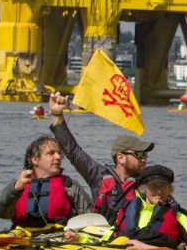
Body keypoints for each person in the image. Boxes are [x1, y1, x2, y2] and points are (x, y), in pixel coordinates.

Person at [47, 92, 153, 223]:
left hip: (131, 234)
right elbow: (73, 151)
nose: (144, 159)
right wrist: (57, 114)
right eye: (139, 154)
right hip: (101, 232)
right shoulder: (97, 175)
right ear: (120, 158)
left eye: (145, 155)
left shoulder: (148, 182)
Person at [0, 135, 94, 228]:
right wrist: (15, 189)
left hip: (59, 237)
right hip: (24, 237)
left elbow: (92, 219)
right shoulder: (18, 186)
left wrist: (75, 234)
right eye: (51, 153)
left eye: (59, 153)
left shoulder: (69, 185)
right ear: (35, 160)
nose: (58, 157)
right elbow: (0, 212)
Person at [109, 165, 187, 250]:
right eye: (154, 186)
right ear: (144, 189)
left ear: (169, 190)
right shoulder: (126, 211)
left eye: (164, 186)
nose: (159, 191)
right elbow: (108, 238)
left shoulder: (177, 215)